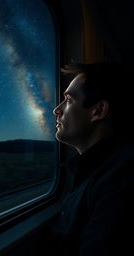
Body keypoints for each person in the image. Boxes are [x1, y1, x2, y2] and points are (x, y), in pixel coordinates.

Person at [44, 63, 134, 255]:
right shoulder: (91, 170)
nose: (56, 110)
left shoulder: (120, 179)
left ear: (98, 111)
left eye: (68, 100)